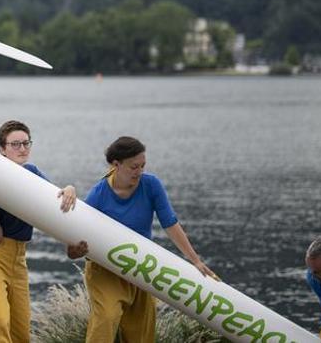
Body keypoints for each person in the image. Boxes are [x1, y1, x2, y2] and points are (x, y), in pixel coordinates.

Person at [66, 136, 215, 343]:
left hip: (141, 267)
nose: (140, 171)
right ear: (116, 165)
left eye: (143, 165)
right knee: (106, 319)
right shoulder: (98, 195)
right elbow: (74, 244)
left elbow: (170, 223)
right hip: (105, 271)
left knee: (141, 334)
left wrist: (194, 259)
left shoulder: (151, 185)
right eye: (134, 167)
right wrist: (76, 251)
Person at [0, 120, 75, 343]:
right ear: (1, 149)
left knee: (21, 331)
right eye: (15, 144)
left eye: (26, 143)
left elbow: (56, 196)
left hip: (19, 260)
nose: (22, 149)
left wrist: (69, 189)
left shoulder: (32, 173)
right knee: (0, 322)